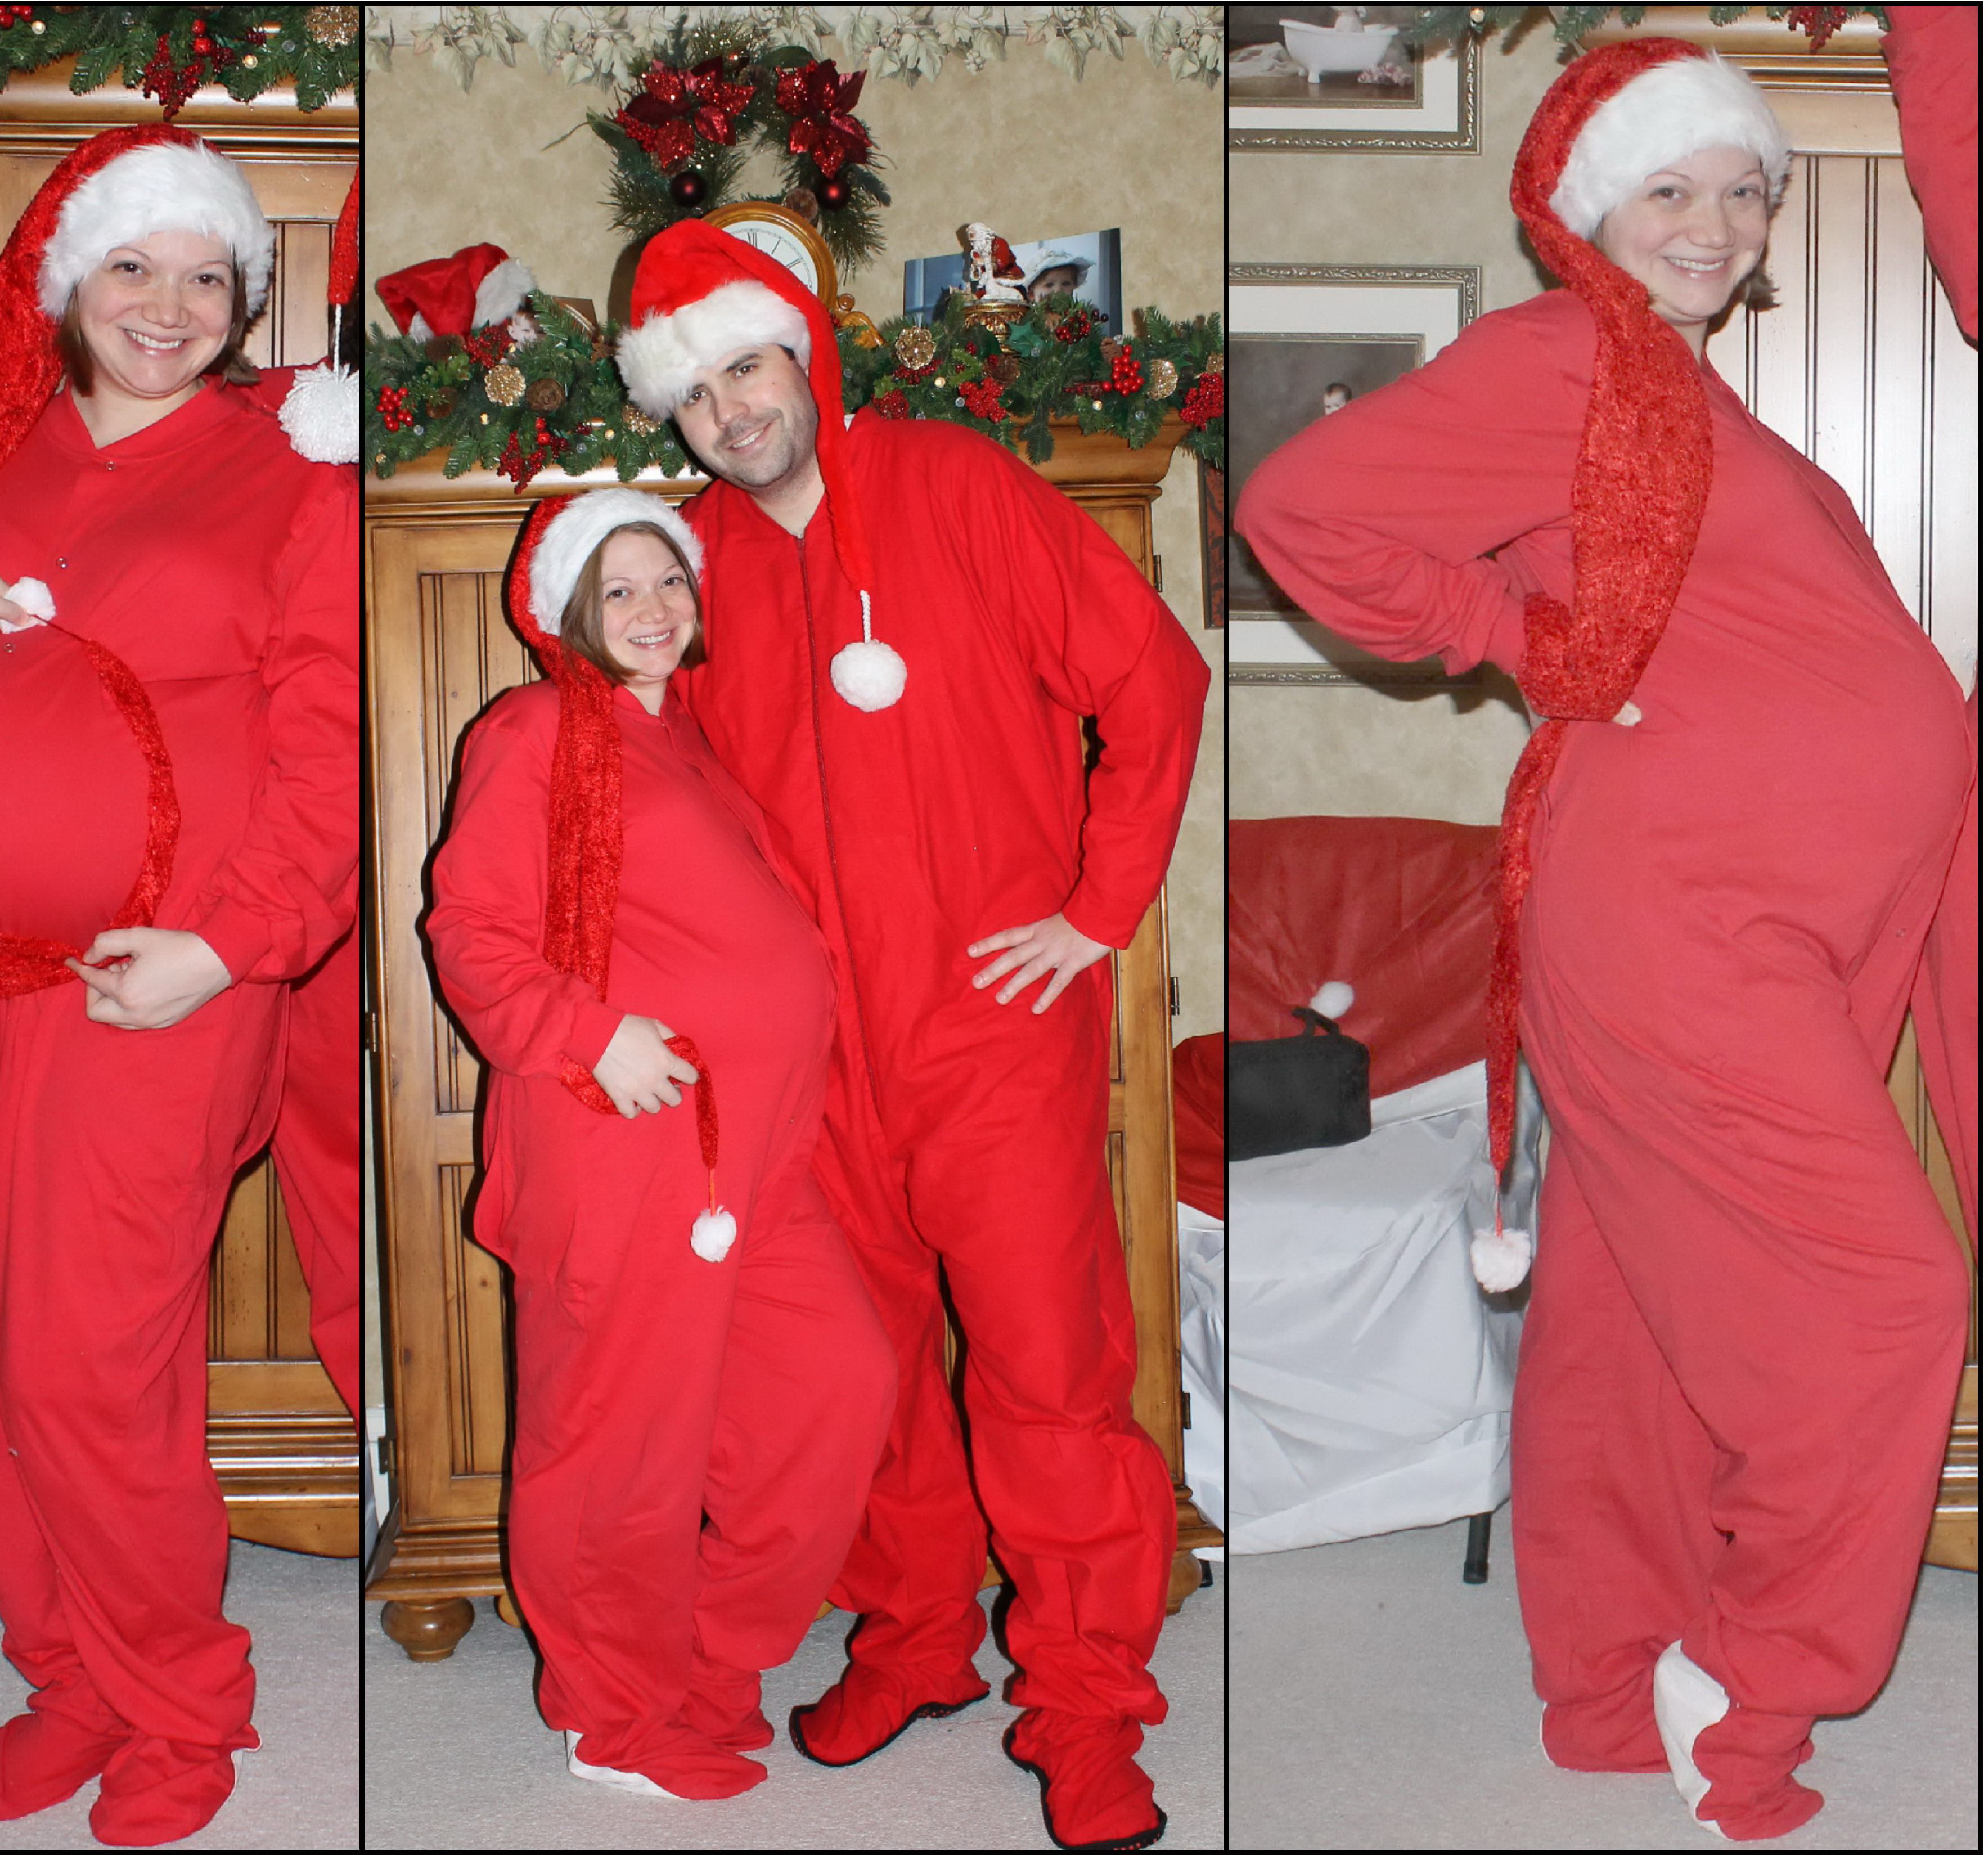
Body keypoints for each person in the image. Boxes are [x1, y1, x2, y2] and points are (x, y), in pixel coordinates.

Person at [1238, 41, 1974, 1843]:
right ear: (1586, 212)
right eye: (1669, 189)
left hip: (1776, 919)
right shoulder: (1564, 357)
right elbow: (1295, 509)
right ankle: (1750, 1672)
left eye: (1741, 192)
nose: (1713, 224)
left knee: (1628, 1317)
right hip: (1679, 921)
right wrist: (1520, 639)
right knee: (1881, 1297)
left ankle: (1604, 1683)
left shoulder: (1682, 400)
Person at [615, 219, 1209, 1852]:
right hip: (813, 1056)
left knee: (1047, 1374)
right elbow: (624, 775)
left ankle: (1083, 1703)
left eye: (748, 366)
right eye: (695, 393)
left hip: (988, 1027)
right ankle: (916, 1639)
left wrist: (1098, 909)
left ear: (803, 352)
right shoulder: (687, 571)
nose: (732, 411)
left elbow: (1151, 681)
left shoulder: (954, 484)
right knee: (865, 1373)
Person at [0, 124, 357, 1847]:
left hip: (151, 982)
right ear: (66, 286)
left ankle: (180, 1703)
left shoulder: (294, 477)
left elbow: (328, 753)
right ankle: (69, 1673)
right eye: (132, 266)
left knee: (86, 1366)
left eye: (207, 277)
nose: (168, 305)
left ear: (246, 306)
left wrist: (230, 945)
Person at [424, 487, 897, 1803]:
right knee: (617, 1446)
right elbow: (471, 930)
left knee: (836, 1389)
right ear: (568, 610)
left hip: (754, 1158)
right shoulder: (533, 729)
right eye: (619, 587)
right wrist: (587, 1033)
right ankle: (613, 1714)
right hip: (626, 1147)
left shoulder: (684, 736)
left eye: (668, 580)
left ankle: (705, 1658)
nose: (651, 608)